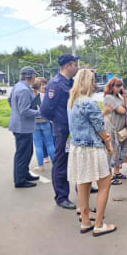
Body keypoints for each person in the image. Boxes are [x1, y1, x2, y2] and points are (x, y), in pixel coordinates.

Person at [67, 69, 117, 236]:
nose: (95, 84)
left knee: (83, 182)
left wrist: (101, 134)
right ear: (89, 82)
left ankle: (86, 221)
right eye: (93, 81)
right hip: (92, 149)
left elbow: (84, 125)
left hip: (78, 148)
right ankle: (99, 224)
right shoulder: (89, 102)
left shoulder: (72, 101)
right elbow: (99, 127)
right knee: (105, 183)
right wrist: (107, 142)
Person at [40, 54, 81, 209]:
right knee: (61, 162)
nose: (77, 67)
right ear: (68, 66)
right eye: (75, 64)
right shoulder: (55, 84)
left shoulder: (71, 83)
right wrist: (57, 120)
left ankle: (81, 187)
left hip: (74, 129)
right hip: (63, 130)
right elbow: (45, 110)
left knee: (76, 158)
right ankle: (61, 196)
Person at [8, 66, 40, 188]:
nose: (35, 78)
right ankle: (20, 180)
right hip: (22, 127)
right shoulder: (24, 90)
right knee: (23, 154)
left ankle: (24, 174)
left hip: (20, 125)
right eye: (34, 75)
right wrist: (40, 112)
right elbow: (25, 111)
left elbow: (10, 100)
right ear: (30, 76)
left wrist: (16, 111)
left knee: (26, 152)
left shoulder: (18, 86)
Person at [103, 78, 127, 185]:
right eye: (117, 86)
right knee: (111, 151)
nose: (120, 88)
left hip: (120, 127)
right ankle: (109, 176)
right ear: (112, 86)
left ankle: (117, 172)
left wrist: (125, 97)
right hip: (112, 128)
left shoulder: (118, 97)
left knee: (119, 150)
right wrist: (125, 101)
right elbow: (122, 110)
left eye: (121, 86)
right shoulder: (109, 98)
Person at [32, 77, 55, 172]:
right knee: (50, 143)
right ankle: (55, 164)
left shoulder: (30, 95)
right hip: (45, 121)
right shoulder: (44, 96)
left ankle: (40, 166)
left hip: (34, 122)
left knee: (38, 145)